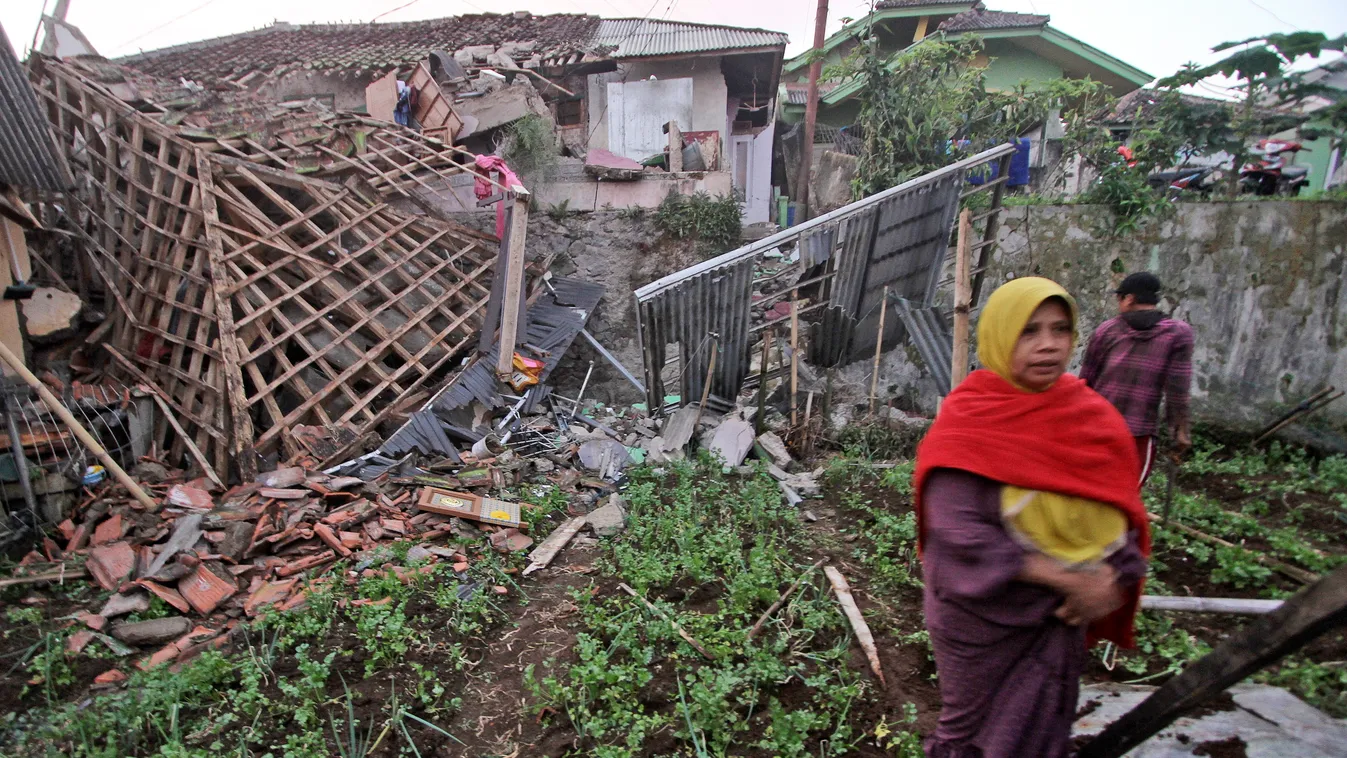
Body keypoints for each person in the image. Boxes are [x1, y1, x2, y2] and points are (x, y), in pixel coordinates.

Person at [914, 277, 1151, 758]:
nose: (1048, 345)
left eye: (1060, 329)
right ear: (1001, 335)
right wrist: (1070, 580)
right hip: (981, 619)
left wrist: (1114, 577)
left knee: (1042, 724)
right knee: (969, 733)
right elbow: (958, 531)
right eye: (1029, 331)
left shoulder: (1090, 417)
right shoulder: (972, 417)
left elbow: (1118, 506)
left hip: (1059, 617)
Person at [1080, 272, 1194, 485]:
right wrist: (1180, 431)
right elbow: (1178, 389)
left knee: (1088, 486)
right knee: (1127, 493)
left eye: (1119, 298)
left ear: (1129, 299)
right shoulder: (1178, 334)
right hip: (1139, 432)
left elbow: (1086, 382)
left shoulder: (1108, 330)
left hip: (1098, 427)